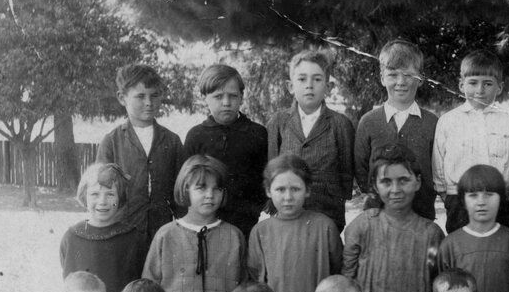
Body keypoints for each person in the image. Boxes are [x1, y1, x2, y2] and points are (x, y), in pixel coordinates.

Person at [143, 154, 246, 292]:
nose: (210, 195)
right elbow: (148, 290)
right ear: (185, 189)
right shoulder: (166, 235)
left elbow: (245, 288)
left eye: (217, 188)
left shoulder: (234, 235)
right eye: (201, 188)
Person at [342, 144, 444, 292]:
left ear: (417, 181)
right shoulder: (363, 226)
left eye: (403, 180)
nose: (395, 189)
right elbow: (347, 281)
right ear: (375, 186)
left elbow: (437, 285)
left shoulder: (431, 234)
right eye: (386, 182)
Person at [248, 154, 342, 292]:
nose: (288, 197)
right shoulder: (261, 232)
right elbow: (256, 277)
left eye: (295, 189)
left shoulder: (324, 226)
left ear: (307, 190)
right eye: (280, 189)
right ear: (268, 191)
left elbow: (336, 271)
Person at [433, 49, 509, 233]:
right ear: (461, 85)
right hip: (459, 202)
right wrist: (449, 197)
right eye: (473, 83)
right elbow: (438, 164)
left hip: (498, 201)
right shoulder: (448, 121)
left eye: (488, 84)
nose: (480, 90)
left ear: (499, 87)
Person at [267, 48, 355, 231]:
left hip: (327, 212)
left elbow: (346, 171)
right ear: (290, 86)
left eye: (317, 79)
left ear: (328, 87)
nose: (309, 85)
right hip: (287, 210)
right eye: (301, 79)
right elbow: (271, 166)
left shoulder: (340, 124)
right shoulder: (279, 121)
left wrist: (337, 202)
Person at [97, 63, 185, 245]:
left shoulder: (172, 141)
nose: (148, 102)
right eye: (140, 96)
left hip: (162, 234)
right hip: (122, 233)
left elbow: (181, 194)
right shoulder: (112, 142)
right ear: (122, 98)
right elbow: (101, 192)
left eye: (154, 95)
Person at [60, 163, 146, 292]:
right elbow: (67, 280)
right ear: (84, 195)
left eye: (110, 194)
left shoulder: (132, 238)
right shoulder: (72, 237)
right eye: (95, 194)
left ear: (120, 198)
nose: (102, 201)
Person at [354, 39, 438, 219]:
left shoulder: (433, 123)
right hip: (377, 217)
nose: (401, 82)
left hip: (421, 216)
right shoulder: (369, 122)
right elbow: (361, 169)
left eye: (408, 75)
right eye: (393, 74)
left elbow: (437, 171)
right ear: (382, 78)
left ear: (421, 79)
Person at [183, 64, 268, 238]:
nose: (226, 103)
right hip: (206, 222)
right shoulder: (196, 136)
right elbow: (186, 183)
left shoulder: (257, 133)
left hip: (247, 222)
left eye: (233, 96)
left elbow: (266, 178)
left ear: (242, 97)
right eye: (218, 96)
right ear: (205, 97)